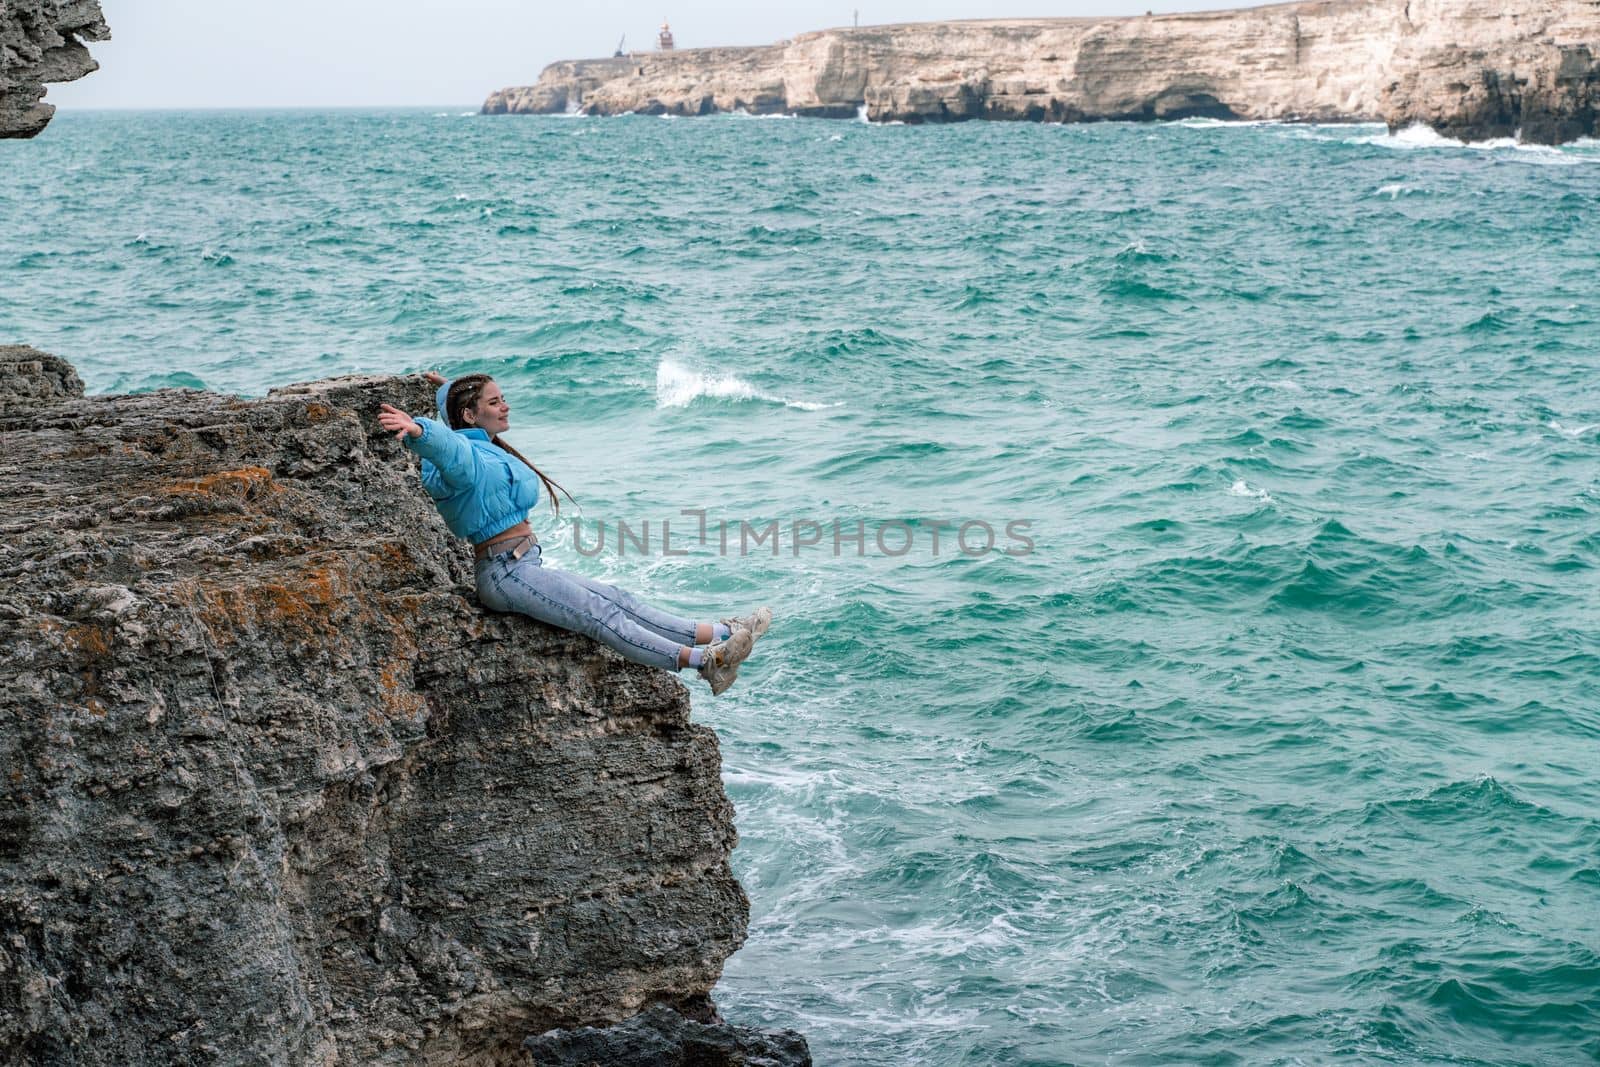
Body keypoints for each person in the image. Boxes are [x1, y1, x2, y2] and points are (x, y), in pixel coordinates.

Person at [377, 372, 769, 695]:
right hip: (503, 573)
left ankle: (721, 631)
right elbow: (451, 451)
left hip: (524, 563)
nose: (505, 405)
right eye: (494, 401)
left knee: (617, 598)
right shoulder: (462, 462)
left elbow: (456, 435)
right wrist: (419, 430)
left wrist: (448, 391)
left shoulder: (488, 449)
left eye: (502, 397)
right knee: (599, 615)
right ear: (469, 414)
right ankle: (706, 663)